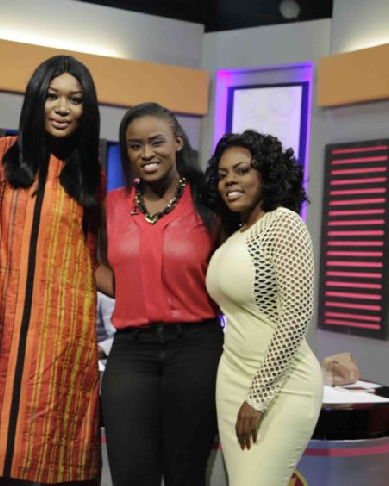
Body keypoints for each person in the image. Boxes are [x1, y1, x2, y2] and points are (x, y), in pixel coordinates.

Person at [0, 55, 104, 485]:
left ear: (87, 109)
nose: (62, 108)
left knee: (49, 459)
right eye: (52, 96)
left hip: (61, 338)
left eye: (75, 99)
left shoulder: (91, 176)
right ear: (35, 99)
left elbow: (95, 260)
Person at [99, 102, 223, 486]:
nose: (146, 153)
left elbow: (230, 269)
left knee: (186, 473)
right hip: (131, 352)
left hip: (196, 348)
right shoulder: (113, 204)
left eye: (156, 142)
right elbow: (96, 265)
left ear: (178, 142)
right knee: (131, 472)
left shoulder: (209, 202)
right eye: (135, 145)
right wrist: (136, 292)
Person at [204, 130, 323, 486]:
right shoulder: (234, 235)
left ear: (266, 174)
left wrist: (256, 398)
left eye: (241, 170)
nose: (230, 181)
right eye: (223, 174)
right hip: (231, 381)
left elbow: (297, 315)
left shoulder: (284, 224)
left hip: (280, 388)